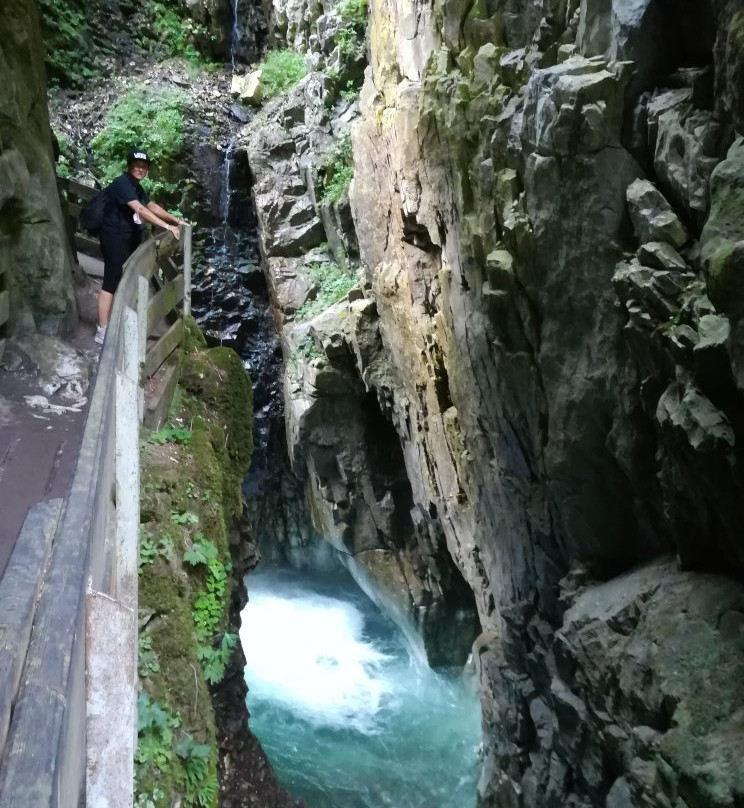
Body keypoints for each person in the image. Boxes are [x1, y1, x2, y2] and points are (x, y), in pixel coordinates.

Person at [95, 148, 186, 344]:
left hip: (126, 239)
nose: (141, 169)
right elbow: (141, 210)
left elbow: (151, 206)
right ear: (129, 166)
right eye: (137, 165)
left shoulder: (136, 187)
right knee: (111, 282)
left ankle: (112, 324)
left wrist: (175, 220)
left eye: (144, 166)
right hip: (114, 238)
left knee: (122, 280)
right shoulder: (122, 183)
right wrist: (167, 226)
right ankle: (102, 331)